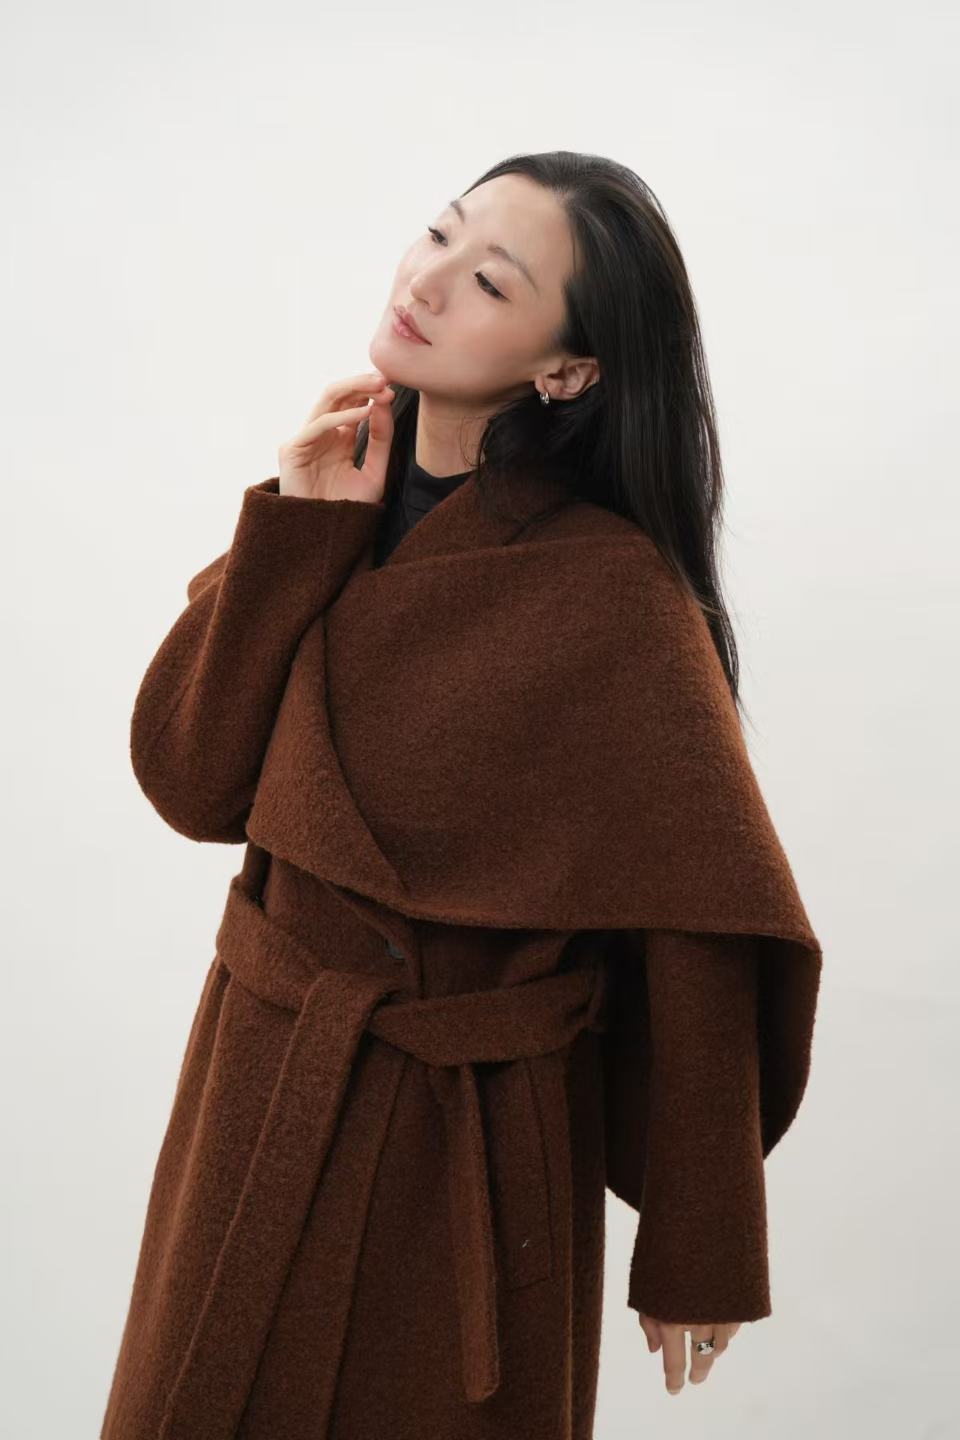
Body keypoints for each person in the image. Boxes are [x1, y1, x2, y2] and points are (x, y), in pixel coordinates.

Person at [101, 152, 822, 1440]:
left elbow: (703, 921)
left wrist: (701, 1241)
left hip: (466, 1149)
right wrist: (299, 531)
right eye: (438, 233)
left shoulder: (615, 594)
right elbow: (194, 783)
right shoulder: (334, 506)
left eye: (490, 281)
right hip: (257, 1102)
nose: (427, 282)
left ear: (570, 369)